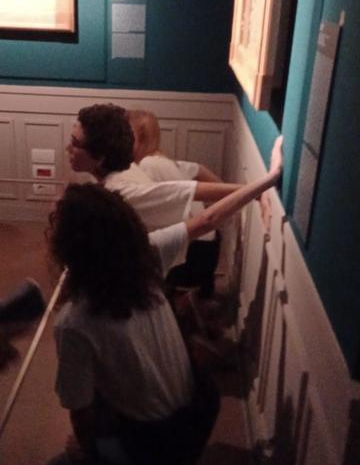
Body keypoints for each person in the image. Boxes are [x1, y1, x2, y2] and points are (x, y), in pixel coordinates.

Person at [50, 135, 283, 464]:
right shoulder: (146, 255)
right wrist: (269, 179)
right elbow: (209, 218)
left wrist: (92, 454)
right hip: (202, 406)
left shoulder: (73, 322)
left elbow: (80, 414)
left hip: (156, 440)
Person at [67, 104, 245, 235]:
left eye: (75, 143)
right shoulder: (125, 170)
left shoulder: (122, 191)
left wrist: (250, 191)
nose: (68, 148)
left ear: (100, 156)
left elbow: (186, 192)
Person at [129, 109, 223, 297]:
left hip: (192, 255)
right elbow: (200, 169)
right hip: (209, 249)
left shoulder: (148, 165)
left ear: (138, 138)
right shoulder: (163, 160)